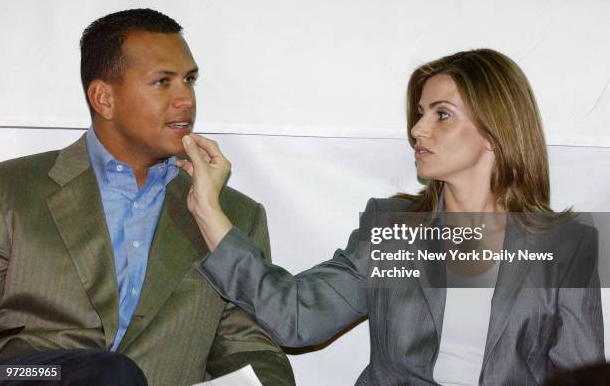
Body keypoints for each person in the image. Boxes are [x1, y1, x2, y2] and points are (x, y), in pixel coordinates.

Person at [178, 49, 604, 385]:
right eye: (420, 113)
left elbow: (581, 377)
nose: (418, 129)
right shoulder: (393, 229)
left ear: (495, 131)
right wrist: (208, 210)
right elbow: (298, 317)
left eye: (442, 114)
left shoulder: (566, 246)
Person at [0, 8, 294, 386]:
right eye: (162, 82)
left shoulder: (233, 214)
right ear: (104, 98)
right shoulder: (10, 191)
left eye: (189, 80)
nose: (185, 98)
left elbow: (249, 348)